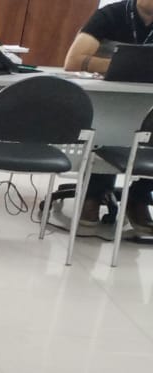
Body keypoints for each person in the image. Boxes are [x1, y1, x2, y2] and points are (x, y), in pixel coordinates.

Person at [66, 0, 153, 229]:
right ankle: (93, 195)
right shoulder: (111, 15)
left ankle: (139, 197)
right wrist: (126, 64)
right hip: (110, 98)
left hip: (149, 101)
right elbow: (73, 61)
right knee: (109, 131)